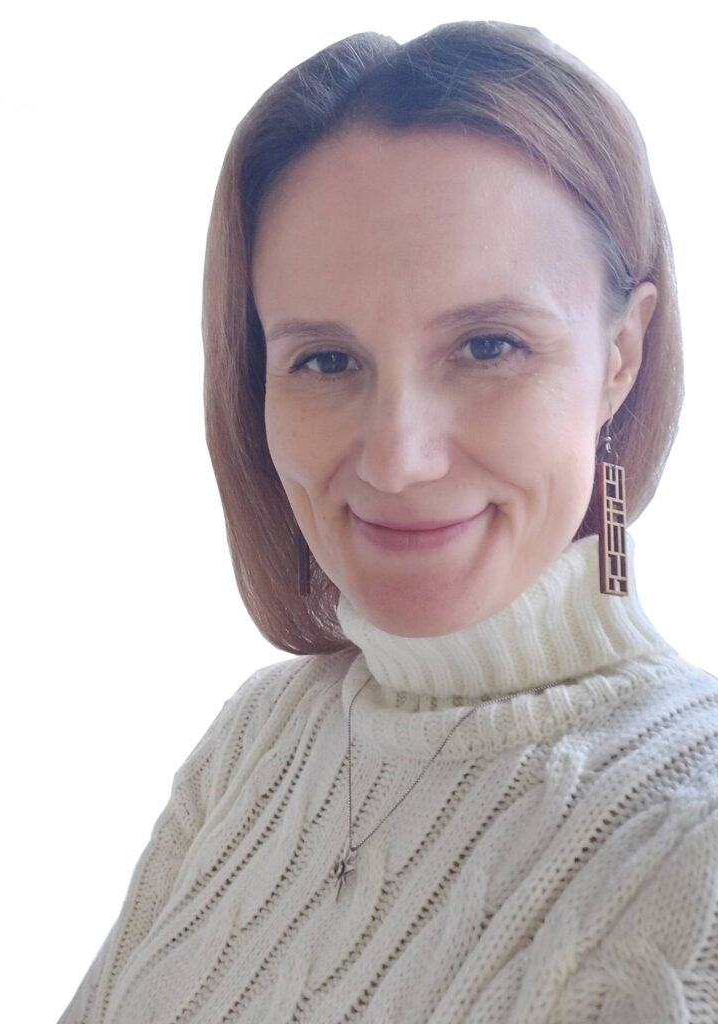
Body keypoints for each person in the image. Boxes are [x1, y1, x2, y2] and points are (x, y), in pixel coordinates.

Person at [58, 21, 718, 1024]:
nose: (397, 459)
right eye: (325, 360)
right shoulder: (257, 744)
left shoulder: (695, 835)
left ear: (621, 357)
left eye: (488, 346)